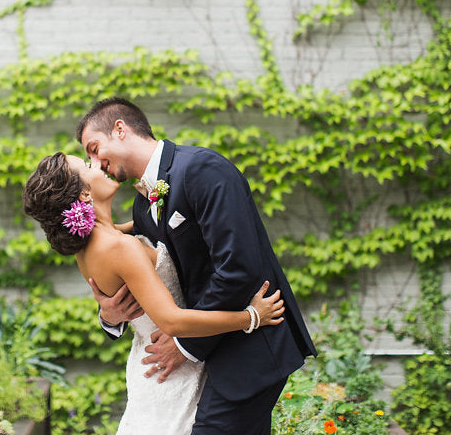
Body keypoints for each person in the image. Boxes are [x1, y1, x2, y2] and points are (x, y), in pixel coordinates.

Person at [77, 97, 316, 435]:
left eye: (94, 147)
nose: (95, 162)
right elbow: (143, 267)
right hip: (203, 360)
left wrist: (185, 345)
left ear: (120, 129)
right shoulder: (143, 204)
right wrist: (109, 316)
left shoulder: (203, 169)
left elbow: (238, 269)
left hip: (249, 347)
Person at [22, 152, 287, 434]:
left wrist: (156, 200)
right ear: (85, 194)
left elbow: (148, 230)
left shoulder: (91, 245)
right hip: (171, 369)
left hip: (149, 364)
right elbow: (172, 322)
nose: (98, 163)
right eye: (88, 165)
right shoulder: (119, 248)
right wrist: (251, 317)